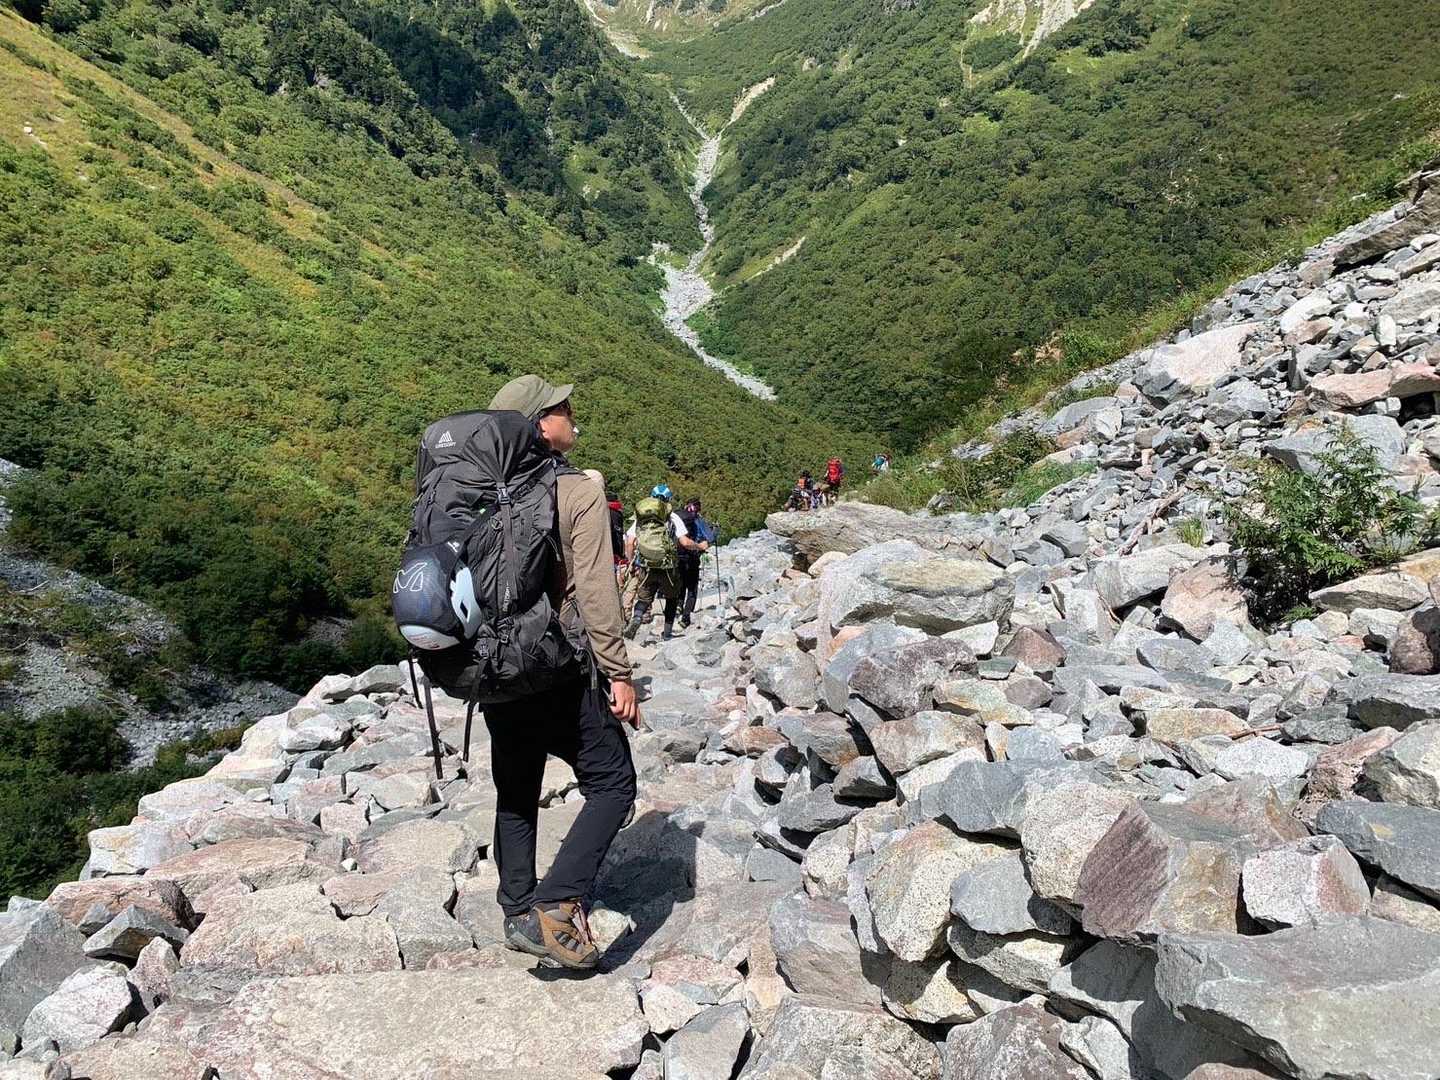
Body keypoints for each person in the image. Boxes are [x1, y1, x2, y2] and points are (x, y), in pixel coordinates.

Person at [482, 374, 639, 971]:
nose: (573, 415)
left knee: (516, 788)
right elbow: (596, 590)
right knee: (613, 784)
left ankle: (518, 910)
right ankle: (557, 902)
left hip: (493, 667)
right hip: (558, 668)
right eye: (562, 408)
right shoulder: (576, 490)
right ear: (539, 426)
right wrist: (618, 672)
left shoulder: (475, 491)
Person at [623, 483, 705, 640]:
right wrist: (699, 546)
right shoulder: (672, 517)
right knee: (671, 598)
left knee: (644, 598)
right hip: (669, 567)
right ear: (668, 499)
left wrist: (631, 562)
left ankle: (637, 618)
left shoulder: (641, 517)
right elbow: (685, 542)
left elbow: (629, 542)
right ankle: (667, 633)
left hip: (646, 565)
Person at [675, 497, 715, 629]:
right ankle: (686, 618)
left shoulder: (676, 518)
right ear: (698, 508)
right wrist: (713, 533)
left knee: (681, 583)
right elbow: (710, 538)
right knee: (692, 588)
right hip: (692, 556)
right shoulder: (698, 520)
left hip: (677, 556)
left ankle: (678, 606)